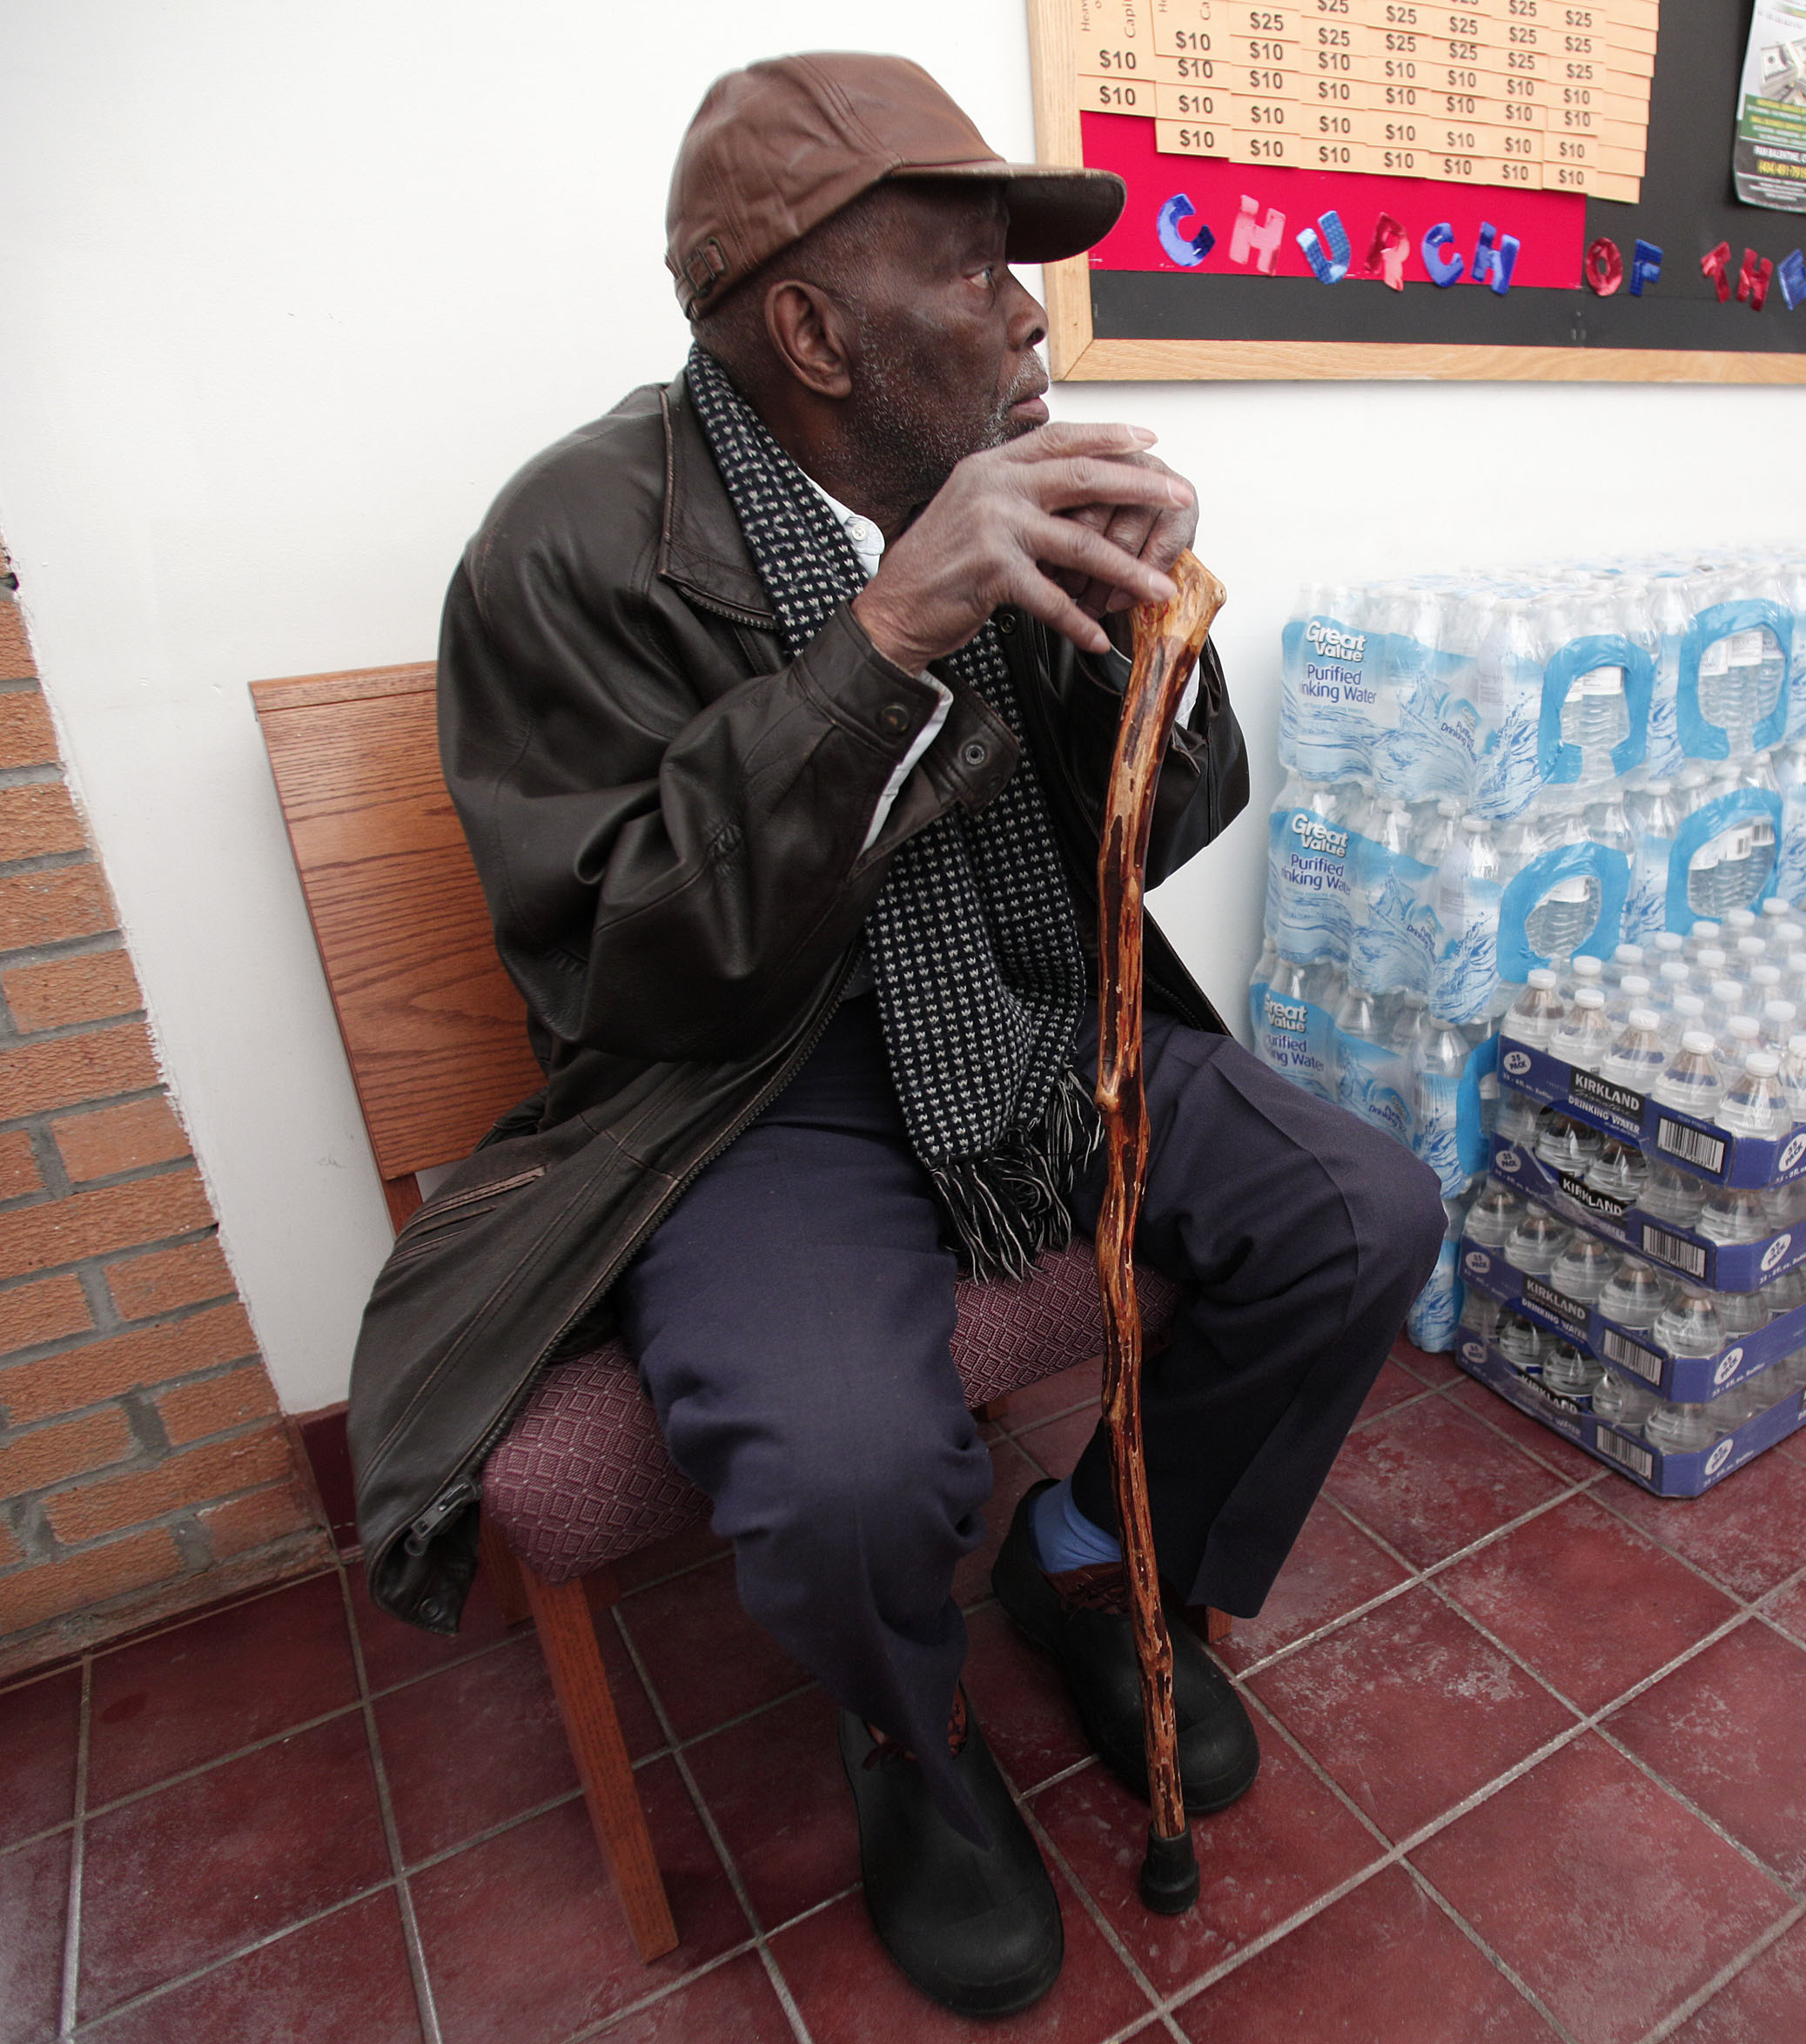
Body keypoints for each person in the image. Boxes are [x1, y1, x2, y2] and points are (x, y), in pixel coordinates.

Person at [345, 53, 1443, 2018]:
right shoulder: (568, 547)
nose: (1029, 314)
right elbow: (628, 965)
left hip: (1024, 1017)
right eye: (973, 270)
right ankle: (913, 1734)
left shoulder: (985, 482)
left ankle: (1095, 1553)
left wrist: (1146, 640)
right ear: (809, 329)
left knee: (1359, 1213)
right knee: (846, 1467)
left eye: (1023, 273)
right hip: (747, 1093)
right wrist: (880, 647)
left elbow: (1148, 849)